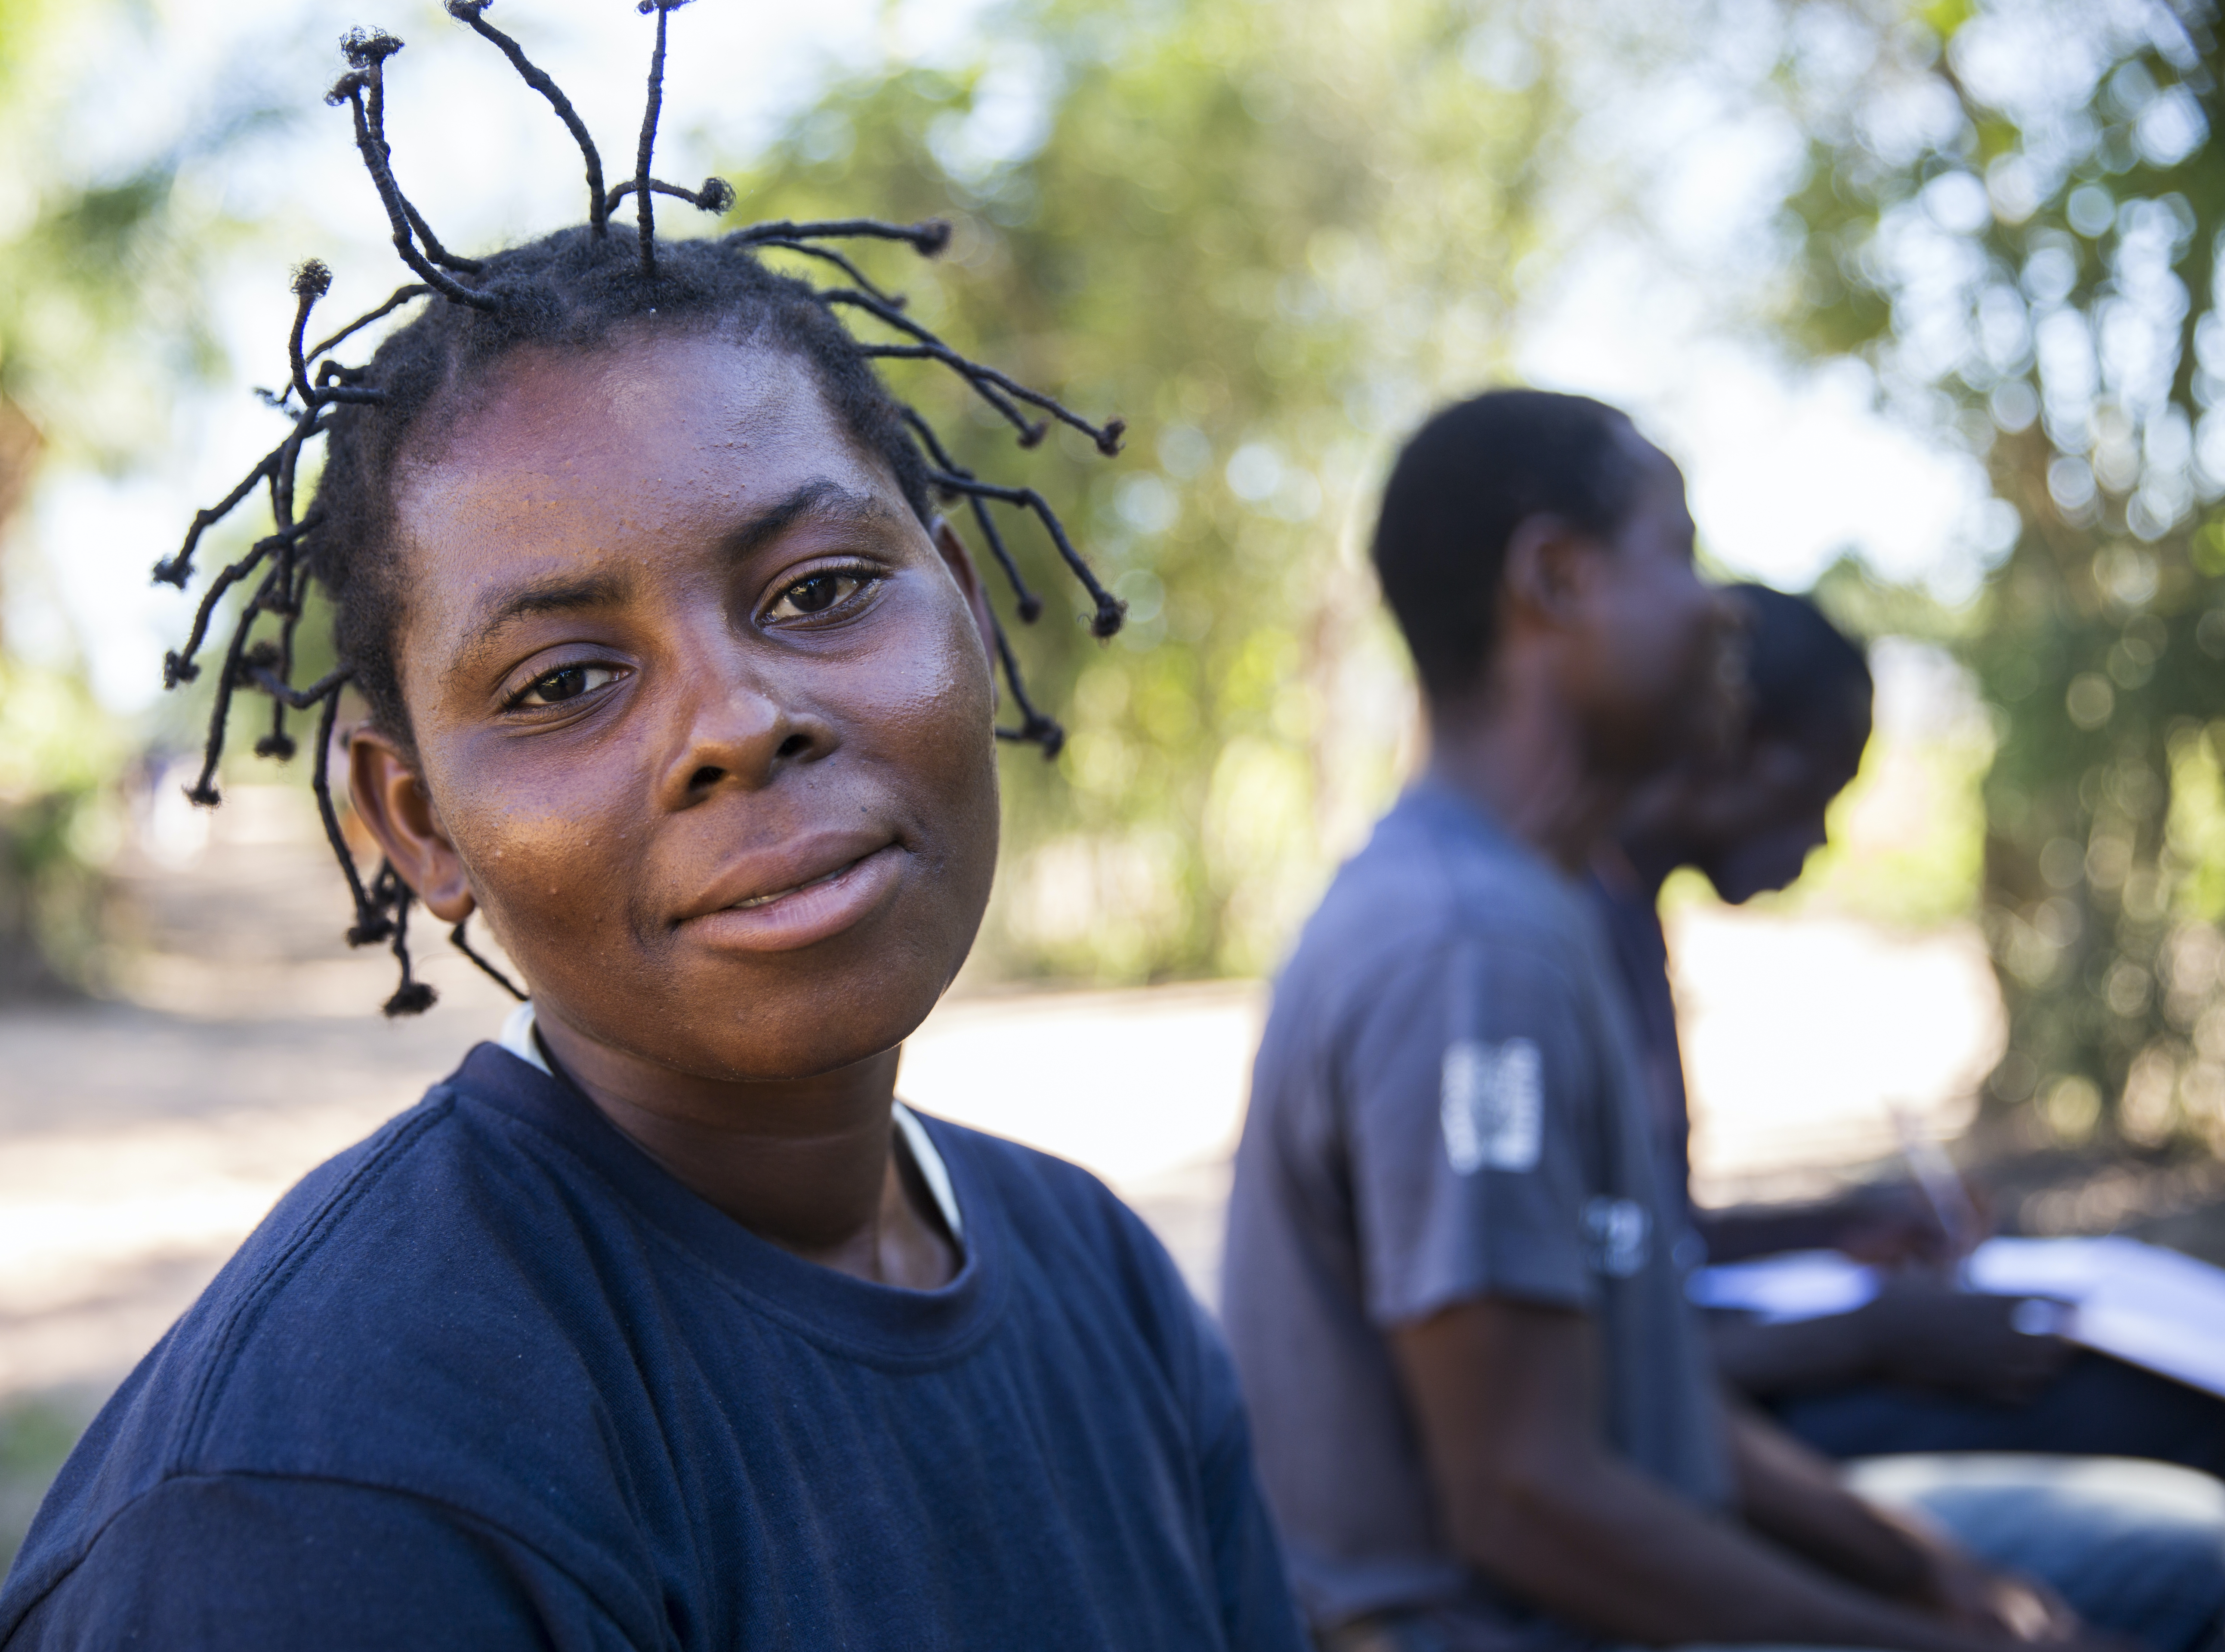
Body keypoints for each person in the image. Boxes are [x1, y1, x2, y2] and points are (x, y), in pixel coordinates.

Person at [0, 14, 1302, 1650]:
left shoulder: (1095, 1278)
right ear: (415, 823)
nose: (738, 721)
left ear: (967, 613)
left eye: (820, 592)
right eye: (563, 683)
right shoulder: (325, 1497)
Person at [1221, 388, 2225, 1652]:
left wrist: (1921, 1569)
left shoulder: (1519, 907)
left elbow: (1651, 1408)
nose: (1721, 611)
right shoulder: (1469, 951)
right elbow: (1520, 1499)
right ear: (1554, 581)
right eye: (1678, 550)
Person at [1593, 584, 2225, 1477]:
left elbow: (1651, 1231)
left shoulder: (1630, 920)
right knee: (2157, 1420)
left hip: (1716, 1402)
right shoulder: (1553, 940)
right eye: (1812, 790)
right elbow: (1570, 1386)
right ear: (1725, 738)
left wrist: (1847, 1224)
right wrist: (1873, 1337)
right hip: (1696, 1452)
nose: (1818, 837)